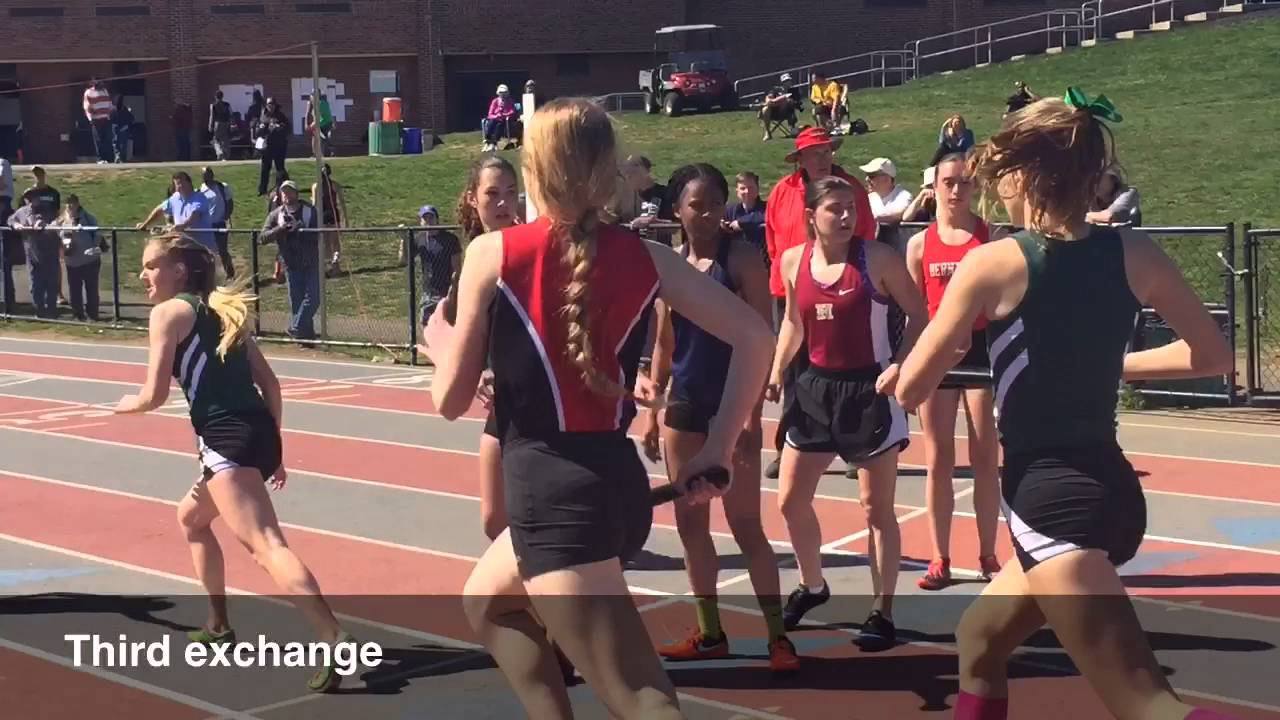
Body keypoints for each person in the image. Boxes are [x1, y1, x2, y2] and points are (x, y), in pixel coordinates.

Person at [422, 97, 774, 720]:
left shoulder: (493, 254)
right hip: (617, 491)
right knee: (489, 602)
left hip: (554, 501)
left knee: (643, 700)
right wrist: (717, 447)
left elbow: (450, 401)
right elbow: (756, 336)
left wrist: (441, 343)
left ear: (534, 171)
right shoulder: (648, 256)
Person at [894, 89, 1238, 720]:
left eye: (999, 174)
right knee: (980, 639)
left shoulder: (992, 262)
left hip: (1051, 504)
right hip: (1112, 492)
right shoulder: (1135, 252)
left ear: (1026, 176)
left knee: (1149, 706)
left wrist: (907, 367)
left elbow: (913, 389)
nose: (995, 188)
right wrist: (1108, 363)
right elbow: (1214, 356)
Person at [112, 232, 356, 693]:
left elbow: (154, 394)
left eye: (151, 266)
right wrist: (273, 449)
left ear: (179, 271)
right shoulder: (224, 311)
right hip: (257, 433)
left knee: (266, 545)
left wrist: (126, 404)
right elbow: (272, 385)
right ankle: (219, 623)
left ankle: (333, 637)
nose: (143, 275)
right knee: (191, 518)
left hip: (226, 439)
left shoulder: (168, 314)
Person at [641, 163, 799, 672]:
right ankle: (710, 633)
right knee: (691, 525)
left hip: (732, 405)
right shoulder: (671, 266)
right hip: (684, 405)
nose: (707, 213)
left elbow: (763, 335)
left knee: (746, 524)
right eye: (696, 205)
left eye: (715, 203)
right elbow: (664, 343)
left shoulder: (742, 258)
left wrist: (751, 420)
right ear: (676, 210)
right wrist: (653, 414)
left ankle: (777, 637)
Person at [767, 175, 927, 649]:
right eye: (834, 208)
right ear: (811, 216)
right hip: (814, 390)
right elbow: (793, 323)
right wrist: (777, 369)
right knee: (790, 499)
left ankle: (882, 610)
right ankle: (812, 584)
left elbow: (919, 315)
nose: (845, 216)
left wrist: (899, 366)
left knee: (876, 509)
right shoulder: (794, 261)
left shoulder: (877, 258)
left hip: (869, 390)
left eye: (851, 208)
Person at [901, 152, 1003, 591]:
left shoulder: (990, 237)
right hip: (938, 354)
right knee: (938, 459)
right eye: (949, 182)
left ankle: (988, 555)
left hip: (981, 352)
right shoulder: (919, 245)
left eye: (964, 182)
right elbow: (914, 315)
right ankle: (939, 557)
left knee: (985, 458)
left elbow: (1004, 301)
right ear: (934, 186)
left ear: (975, 186)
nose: (957, 190)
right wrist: (909, 364)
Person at [762, 128, 877, 481]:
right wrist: (787, 275)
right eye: (814, 153)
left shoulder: (850, 187)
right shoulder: (782, 191)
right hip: (793, 291)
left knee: (846, 368)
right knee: (794, 374)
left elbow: (866, 232)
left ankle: (855, 447)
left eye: (826, 151)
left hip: (844, 290)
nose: (822, 158)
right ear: (800, 159)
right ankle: (788, 445)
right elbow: (772, 240)